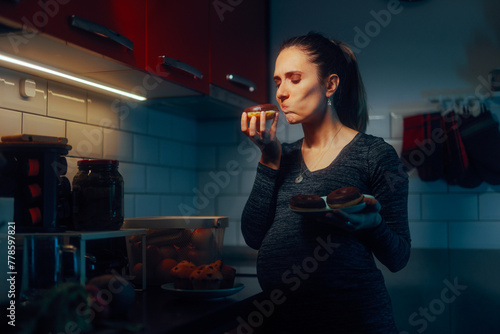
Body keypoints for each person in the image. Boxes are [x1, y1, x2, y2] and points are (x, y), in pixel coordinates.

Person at [240, 32, 411, 333]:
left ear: (330, 84)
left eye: (294, 78)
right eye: (278, 81)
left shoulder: (374, 154)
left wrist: (372, 225)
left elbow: (398, 256)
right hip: (283, 323)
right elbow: (254, 236)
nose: (280, 92)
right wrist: (268, 158)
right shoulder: (282, 155)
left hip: (355, 323)